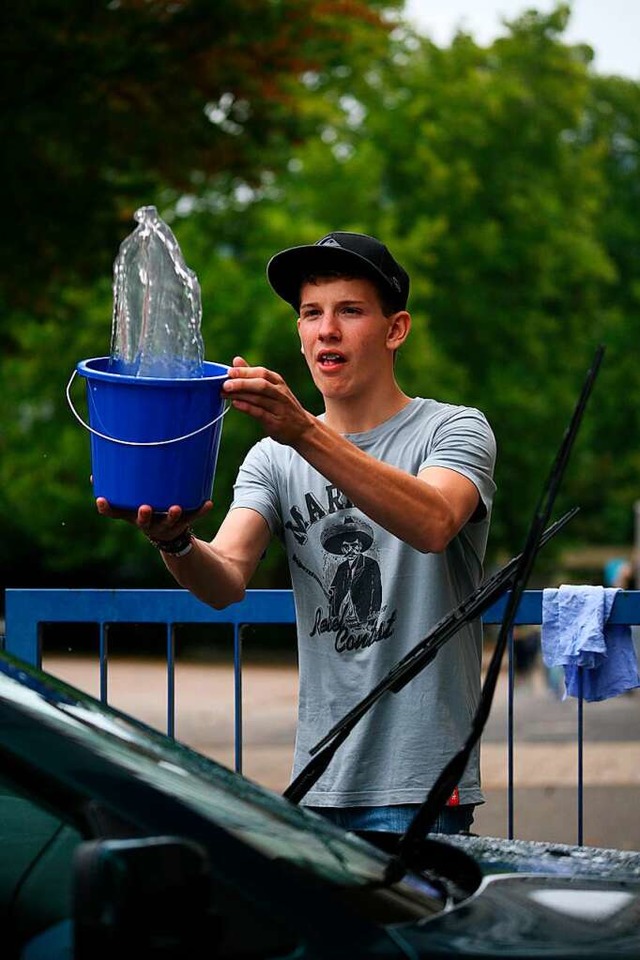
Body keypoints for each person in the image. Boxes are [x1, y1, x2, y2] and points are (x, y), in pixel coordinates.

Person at [97, 231, 497, 839]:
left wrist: (306, 433)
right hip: (317, 783)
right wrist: (175, 541)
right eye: (312, 314)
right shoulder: (272, 458)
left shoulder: (454, 429)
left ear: (396, 330)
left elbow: (435, 522)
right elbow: (227, 577)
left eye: (350, 311)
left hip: (423, 790)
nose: (326, 329)